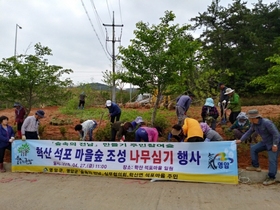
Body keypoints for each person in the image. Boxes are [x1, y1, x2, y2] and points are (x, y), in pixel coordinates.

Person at [236, 109, 280, 186]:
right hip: (265, 142)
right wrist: (241, 140)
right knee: (253, 148)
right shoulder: (254, 124)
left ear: (254, 118)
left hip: (273, 143)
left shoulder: (267, 123)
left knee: (272, 160)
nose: (249, 119)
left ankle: (271, 177)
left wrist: (275, 144)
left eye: (250, 118)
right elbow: (249, 132)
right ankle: (255, 166)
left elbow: (276, 134)